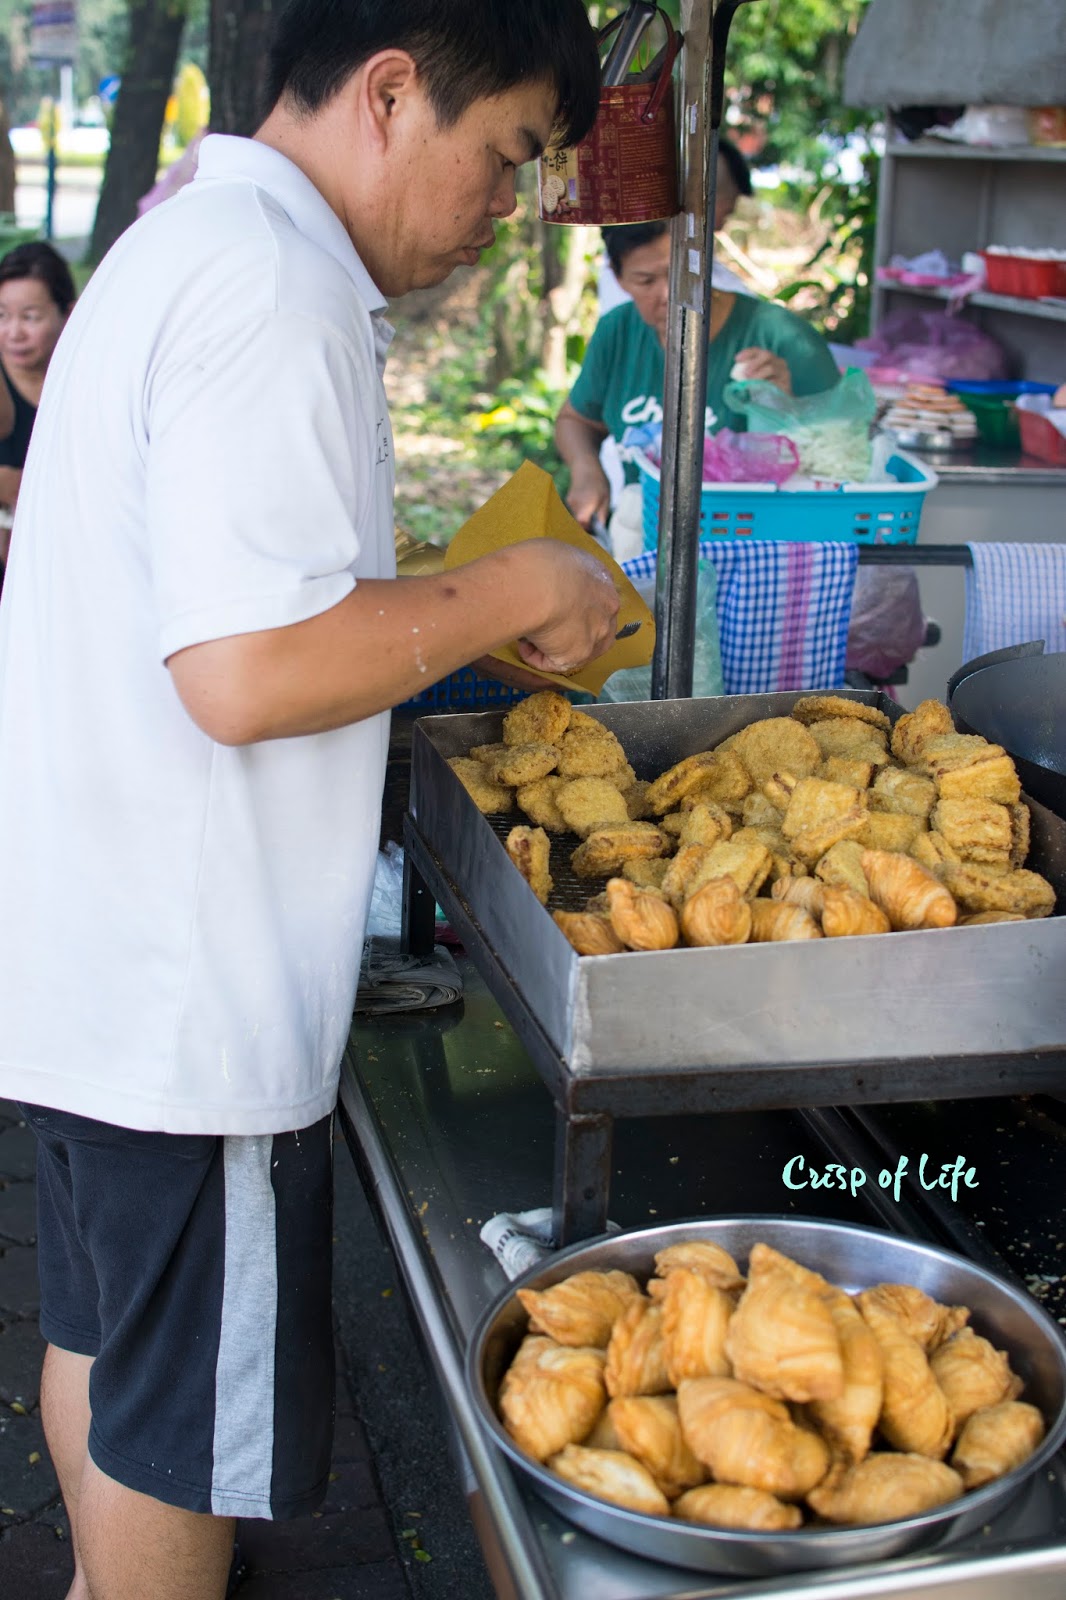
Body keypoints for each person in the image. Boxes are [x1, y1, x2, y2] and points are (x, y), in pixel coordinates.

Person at [0, 4, 617, 1598]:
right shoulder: (269, 285)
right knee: (175, 1433)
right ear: (393, 92)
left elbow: (229, 615)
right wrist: (511, 584)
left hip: (95, 974)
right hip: (188, 1008)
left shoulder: (184, 245)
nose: (508, 208)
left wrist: (444, 602)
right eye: (507, 157)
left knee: (111, 1350)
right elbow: (249, 670)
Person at [557, 217, 842, 530]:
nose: (669, 294)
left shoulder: (783, 339)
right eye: (646, 281)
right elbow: (577, 420)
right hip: (647, 536)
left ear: (705, 262)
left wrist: (789, 408)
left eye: (681, 273)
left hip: (761, 541)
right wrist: (585, 468)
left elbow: (845, 456)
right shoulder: (617, 332)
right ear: (618, 276)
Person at [0, 240, 76, 571]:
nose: (13, 332)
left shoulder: (83, 384)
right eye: (2, 315)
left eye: (30, 317)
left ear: (68, 313)